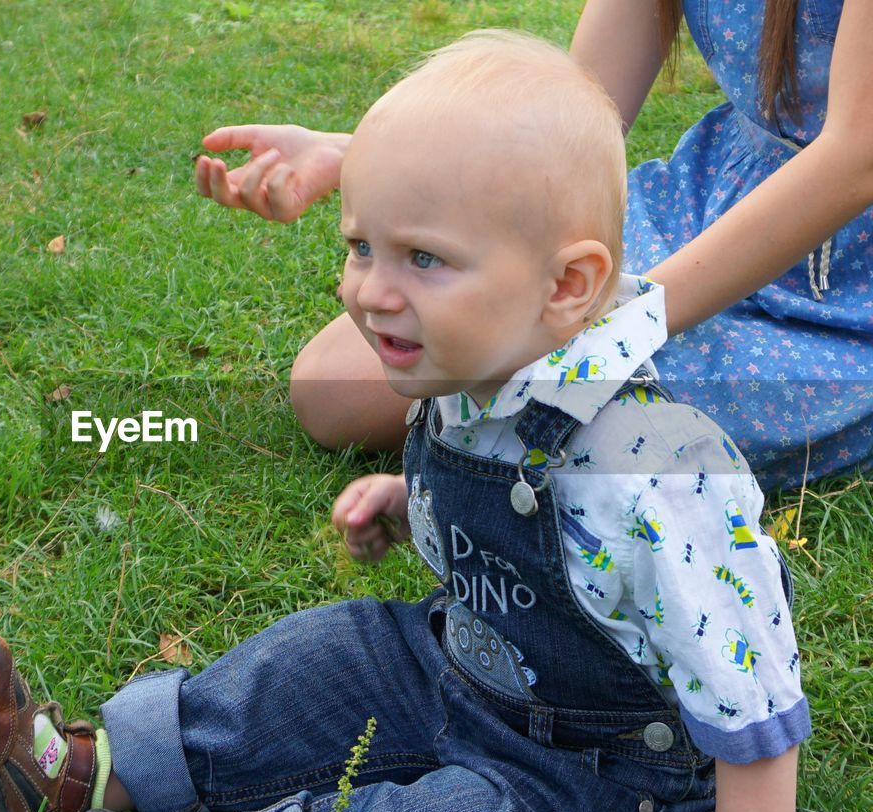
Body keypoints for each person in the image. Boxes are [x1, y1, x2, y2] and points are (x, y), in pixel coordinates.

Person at [0, 32, 808, 812]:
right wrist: (410, 503)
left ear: (567, 285)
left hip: (591, 766)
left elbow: (748, 674)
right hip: (454, 663)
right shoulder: (478, 366)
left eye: (423, 259)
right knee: (323, 660)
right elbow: (525, 513)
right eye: (362, 246)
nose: (368, 290)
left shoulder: (659, 468)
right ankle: (85, 773)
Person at [195, 0, 873, 493]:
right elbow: (569, 120)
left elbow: (856, 159)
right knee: (332, 388)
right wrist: (368, 158)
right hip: (714, 200)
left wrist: (621, 327)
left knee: (572, 421)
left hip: (847, 287)